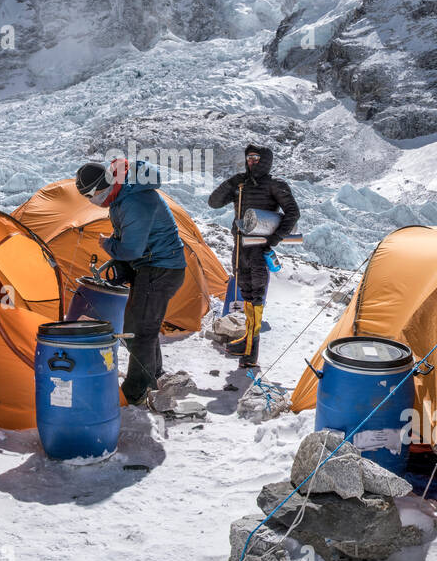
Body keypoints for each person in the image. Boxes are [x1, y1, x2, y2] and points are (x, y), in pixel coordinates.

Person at [75, 157, 187, 405]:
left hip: (161, 269)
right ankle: (152, 375)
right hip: (154, 266)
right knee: (142, 326)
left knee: (139, 331)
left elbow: (132, 248)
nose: (91, 202)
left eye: (89, 196)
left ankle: (134, 392)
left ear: (98, 190)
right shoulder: (122, 196)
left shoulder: (133, 201)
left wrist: (108, 245)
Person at [208, 145, 299, 369]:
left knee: (256, 297)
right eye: (249, 157)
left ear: (265, 160)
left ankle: (252, 351)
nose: (251, 161)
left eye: (256, 157)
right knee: (247, 294)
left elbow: (293, 212)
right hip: (240, 247)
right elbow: (214, 202)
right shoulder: (240, 184)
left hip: (258, 250)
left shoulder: (275, 185)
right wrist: (231, 183)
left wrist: (274, 239)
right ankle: (247, 340)